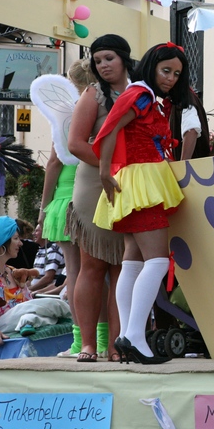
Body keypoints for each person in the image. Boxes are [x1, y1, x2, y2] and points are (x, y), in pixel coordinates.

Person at [93, 42, 188, 365]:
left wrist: (110, 173)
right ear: (151, 66)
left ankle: (127, 334)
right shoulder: (141, 95)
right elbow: (108, 130)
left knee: (132, 261)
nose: (172, 78)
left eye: (176, 73)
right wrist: (105, 172)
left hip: (137, 181)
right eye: (166, 71)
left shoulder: (144, 96)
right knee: (158, 261)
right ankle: (133, 333)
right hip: (142, 182)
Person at [67, 35, 132, 362]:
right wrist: (109, 165)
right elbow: (75, 143)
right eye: (98, 60)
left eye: (109, 58)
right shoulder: (93, 95)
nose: (104, 65)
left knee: (124, 265)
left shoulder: (140, 93)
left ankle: (117, 346)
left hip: (132, 184)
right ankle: (89, 345)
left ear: (123, 58)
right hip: (95, 182)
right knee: (92, 265)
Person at [40, 58, 94, 357]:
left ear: (72, 83)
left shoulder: (65, 113)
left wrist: (43, 208)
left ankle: (78, 340)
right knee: (100, 272)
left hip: (65, 196)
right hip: (93, 194)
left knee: (75, 272)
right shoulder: (100, 107)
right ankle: (100, 339)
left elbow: (53, 162)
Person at [0, 216, 70, 346]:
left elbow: (28, 303)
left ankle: (28, 321)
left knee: (37, 314)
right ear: (0, 242)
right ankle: (67, 312)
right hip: (0, 323)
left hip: (18, 319)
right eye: (16, 238)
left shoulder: (14, 273)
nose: (21, 243)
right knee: (53, 305)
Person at [171, 87, 211, 160]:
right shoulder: (180, 98)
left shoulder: (184, 98)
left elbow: (191, 130)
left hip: (194, 167)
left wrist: (183, 165)